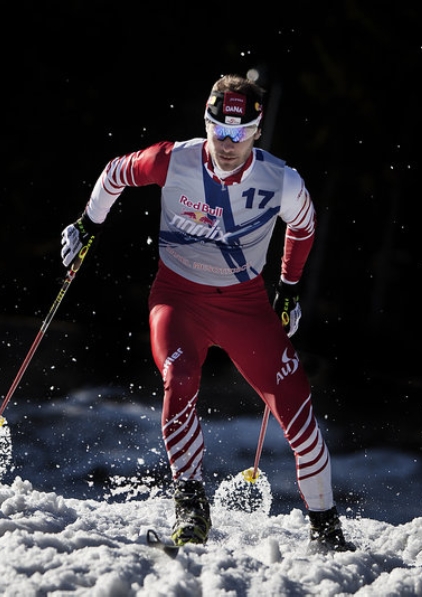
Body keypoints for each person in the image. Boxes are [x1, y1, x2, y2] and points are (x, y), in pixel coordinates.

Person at [60, 73, 355, 552]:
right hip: (177, 296)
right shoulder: (172, 159)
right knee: (179, 378)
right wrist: (88, 223)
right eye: (220, 130)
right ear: (207, 122)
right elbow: (115, 172)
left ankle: (325, 529)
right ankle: (191, 505)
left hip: (244, 305)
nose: (228, 142)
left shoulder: (281, 180)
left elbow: (304, 226)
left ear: (257, 131)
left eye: (240, 133)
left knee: (298, 411)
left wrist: (290, 289)